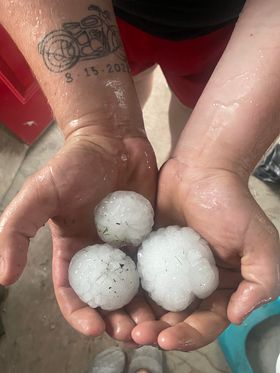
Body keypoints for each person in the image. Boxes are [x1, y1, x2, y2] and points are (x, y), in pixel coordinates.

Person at [0, 0, 279, 352]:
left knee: (193, 109)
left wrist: (216, 161)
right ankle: (137, 129)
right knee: (129, 87)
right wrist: (100, 126)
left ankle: (187, 154)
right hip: (100, 18)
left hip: (236, 35)